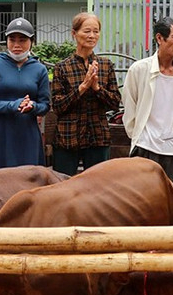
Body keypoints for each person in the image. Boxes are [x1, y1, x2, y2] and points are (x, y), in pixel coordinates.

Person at [122, 18, 173, 222]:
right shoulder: (139, 69)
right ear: (159, 38)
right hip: (146, 148)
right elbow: (129, 106)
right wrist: (138, 135)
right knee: (142, 204)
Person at [51, 12, 122, 175]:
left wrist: (97, 88)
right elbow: (58, 106)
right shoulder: (62, 67)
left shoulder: (105, 65)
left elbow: (115, 103)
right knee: (64, 186)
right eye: (86, 31)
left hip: (97, 136)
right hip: (68, 137)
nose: (92, 36)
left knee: (97, 187)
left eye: (96, 31)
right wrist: (82, 87)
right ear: (74, 33)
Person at [0, 18, 50, 170]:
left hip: (27, 135)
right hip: (0, 135)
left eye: (23, 40)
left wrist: (33, 106)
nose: (17, 45)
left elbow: (45, 105)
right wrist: (13, 105)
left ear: (32, 42)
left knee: (28, 182)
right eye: (12, 40)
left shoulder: (39, 69)